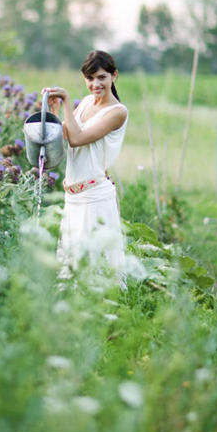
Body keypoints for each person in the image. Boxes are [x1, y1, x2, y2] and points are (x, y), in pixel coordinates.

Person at [42, 50, 128, 280]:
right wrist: (54, 112)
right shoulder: (88, 102)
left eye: (102, 77)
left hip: (95, 196)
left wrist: (66, 99)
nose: (95, 84)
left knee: (94, 269)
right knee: (72, 266)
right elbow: (64, 134)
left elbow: (78, 139)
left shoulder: (117, 112)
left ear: (114, 76)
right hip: (73, 194)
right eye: (90, 78)